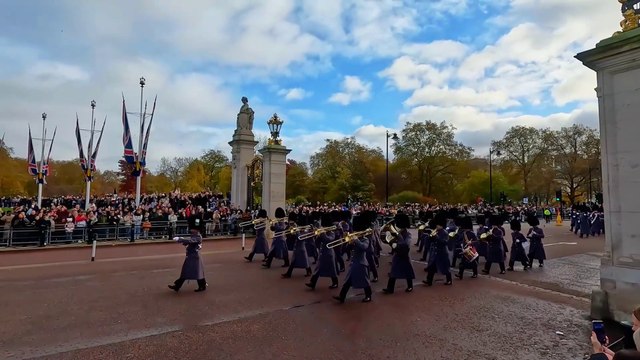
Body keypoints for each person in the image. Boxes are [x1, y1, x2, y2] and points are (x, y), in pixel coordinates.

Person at [333, 215, 372, 304]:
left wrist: (356, 240)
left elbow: (364, 247)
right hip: (354, 262)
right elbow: (348, 249)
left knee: (365, 281)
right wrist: (349, 243)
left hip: (361, 263)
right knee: (348, 281)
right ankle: (341, 297)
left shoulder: (365, 239)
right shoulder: (355, 238)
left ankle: (368, 295)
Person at [168, 215, 207, 292]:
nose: (191, 230)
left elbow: (190, 241)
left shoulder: (198, 237)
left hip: (194, 257)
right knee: (188, 271)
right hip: (191, 256)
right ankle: (177, 286)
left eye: (192, 229)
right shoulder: (195, 236)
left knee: (196, 271)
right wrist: (182, 241)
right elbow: (189, 243)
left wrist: (180, 239)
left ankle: (202, 285)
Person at [382, 212, 415, 294]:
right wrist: (390, 240)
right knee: (393, 271)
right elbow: (392, 242)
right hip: (397, 254)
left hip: (404, 255)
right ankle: (390, 288)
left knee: (408, 271)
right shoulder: (397, 233)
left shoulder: (407, 234)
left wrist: (397, 239)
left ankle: (410, 286)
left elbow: (405, 245)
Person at [306, 212, 339, 290]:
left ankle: (335, 282)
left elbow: (329, 240)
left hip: (329, 253)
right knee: (318, 268)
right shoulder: (323, 230)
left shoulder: (331, 232)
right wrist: (317, 235)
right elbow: (317, 242)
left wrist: (323, 234)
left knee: (332, 269)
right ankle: (312, 283)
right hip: (322, 252)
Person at [423, 213, 452, 286]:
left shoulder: (444, 232)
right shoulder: (436, 231)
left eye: (438, 225)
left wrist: (436, 237)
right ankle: (429, 281)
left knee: (445, 267)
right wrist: (430, 237)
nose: (437, 226)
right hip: (435, 252)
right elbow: (431, 241)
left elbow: (445, 242)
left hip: (442, 252)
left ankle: (449, 280)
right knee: (431, 267)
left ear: (441, 225)